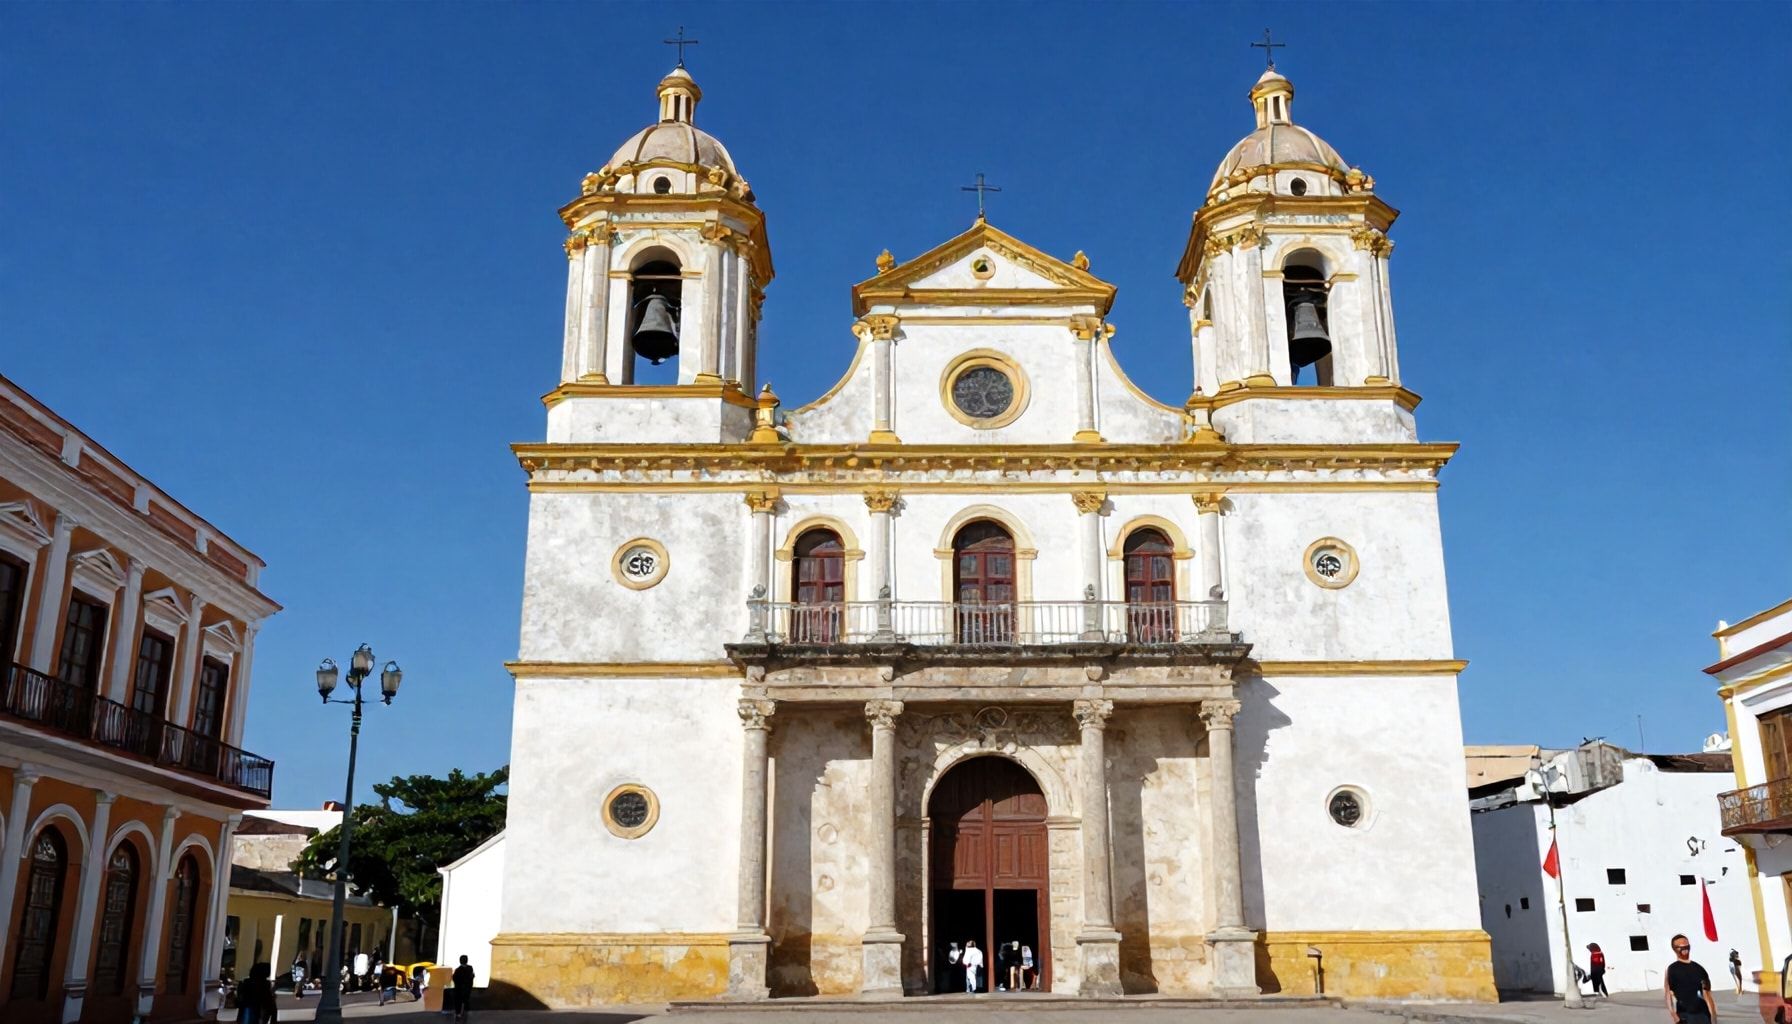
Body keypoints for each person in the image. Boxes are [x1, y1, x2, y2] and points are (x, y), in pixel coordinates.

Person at [1665, 934, 1718, 1024]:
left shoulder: (1699, 969)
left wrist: (1713, 1018)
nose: (1684, 948)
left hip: (1703, 1015)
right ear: (1674, 949)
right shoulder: (1671, 969)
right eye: (1680, 947)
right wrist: (1674, 1015)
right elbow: (1668, 993)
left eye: (1686, 946)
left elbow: (1707, 996)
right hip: (1684, 1016)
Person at [452, 955, 476, 1022]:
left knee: (458, 1002)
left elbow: (454, 979)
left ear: (460, 961)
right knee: (465, 1002)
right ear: (467, 960)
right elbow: (472, 976)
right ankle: (464, 1015)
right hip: (467, 989)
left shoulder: (458, 970)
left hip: (459, 989)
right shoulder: (470, 968)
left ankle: (458, 1015)